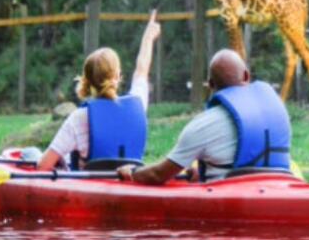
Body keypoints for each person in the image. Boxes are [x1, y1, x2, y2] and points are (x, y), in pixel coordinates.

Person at [125, 48, 294, 183]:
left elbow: (157, 175)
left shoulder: (203, 125)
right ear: (246, 76)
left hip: (233, 206)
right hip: (279, 187)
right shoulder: (278, 112)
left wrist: (133, 172)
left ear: (211, 85)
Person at [39, 11, 162, 171]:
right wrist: (148, 37)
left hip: (87, 191)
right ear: (118, 76)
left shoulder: (79, 118)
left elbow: (43, 166)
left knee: (33, 154)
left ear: (86, 80)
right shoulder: (138, 104)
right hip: (128, 185)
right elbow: (141, 70)